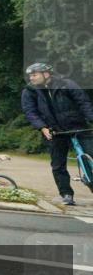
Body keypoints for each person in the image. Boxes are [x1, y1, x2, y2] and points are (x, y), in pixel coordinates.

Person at [21, 62, 93, 206]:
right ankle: (66, 194)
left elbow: (83, 102)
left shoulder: (66, 84)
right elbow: (31, 112)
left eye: (34, 75)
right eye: (30, 76)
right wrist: (42, 127)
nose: (31, 78)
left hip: (78, 127)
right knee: (58, 165)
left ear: (46, 74)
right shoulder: (29, 91)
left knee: (91, 154)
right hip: (55, 131)